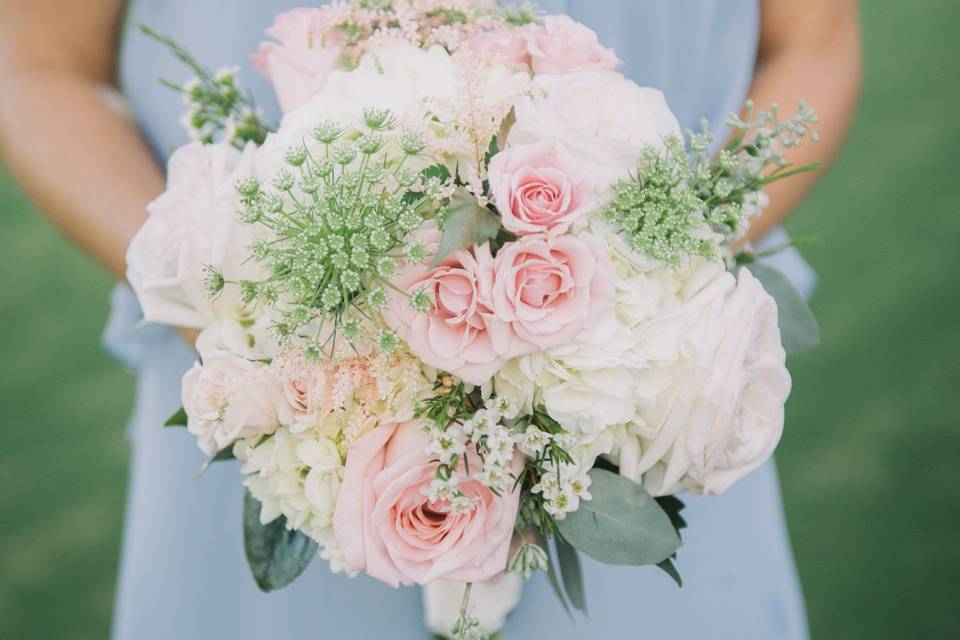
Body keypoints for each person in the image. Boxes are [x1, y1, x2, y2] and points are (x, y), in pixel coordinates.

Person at [0, 1, 861, 637]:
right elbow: (38, 66)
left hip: (647, 420)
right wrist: (250, 322)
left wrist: (642, 278)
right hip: (270, 434)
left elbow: (813, 44)